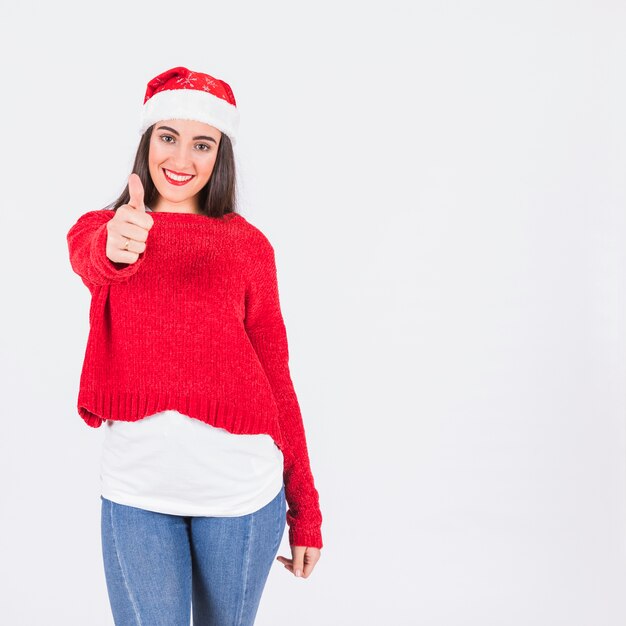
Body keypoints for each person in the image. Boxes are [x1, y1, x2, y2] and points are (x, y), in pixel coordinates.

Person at [66, 66, 323, 626]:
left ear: (218, 156)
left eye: (201, 143)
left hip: (241, 497)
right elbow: (92, 259)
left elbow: (278, 380)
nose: (181, 158)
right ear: (146, 143)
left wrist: (306, 512)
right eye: (167, 137)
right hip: (137, 493)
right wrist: (117, 244)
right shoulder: (105, 229)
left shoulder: (248, 247)